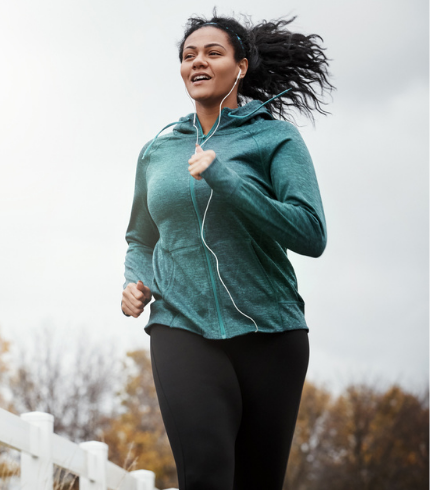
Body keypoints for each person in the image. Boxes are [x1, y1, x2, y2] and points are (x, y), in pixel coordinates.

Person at [121, 12, 334, 490]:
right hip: (181, 324)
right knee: (206, 475)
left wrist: (227, 180)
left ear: (240, 66)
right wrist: (134, 283)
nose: (197, 62)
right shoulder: (158, 150)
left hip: (271, 332)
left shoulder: (275, 137)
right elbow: (141, 237)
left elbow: (310, 233)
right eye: (188, 55)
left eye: (212, 53)